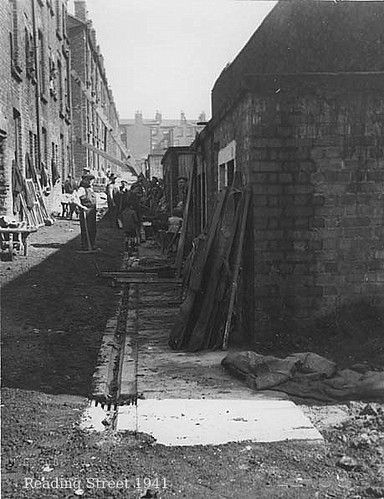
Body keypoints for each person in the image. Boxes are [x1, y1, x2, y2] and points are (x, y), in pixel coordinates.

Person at [74, 174, 97, 251]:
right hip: (86, 212)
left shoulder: (90, 189)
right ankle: (85, 246)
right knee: (86, 229)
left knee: (93, 229)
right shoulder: (82, 189)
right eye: (89, 180)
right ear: (84, 180)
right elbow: (74, 199)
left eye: (91, 180)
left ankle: (92, 245)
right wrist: (82, 207)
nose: (91, 182)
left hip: (92, 211)